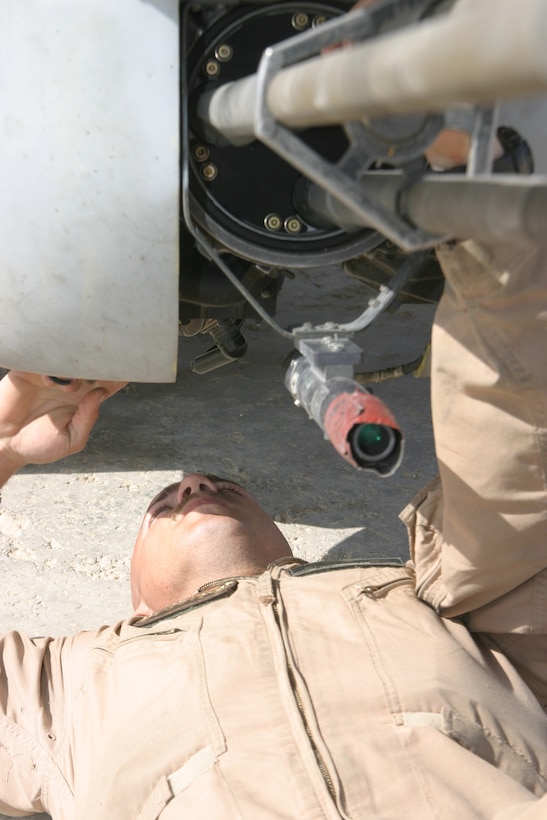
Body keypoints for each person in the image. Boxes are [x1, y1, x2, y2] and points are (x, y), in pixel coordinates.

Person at [0, 235, 546, 820]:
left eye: (212, 488)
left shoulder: (440, 600)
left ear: (292, 553)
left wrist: (486, 237)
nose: (191, 482)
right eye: (166, 502)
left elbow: (512, 474)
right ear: (135, 603)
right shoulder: (62, 694)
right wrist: (7, 439)